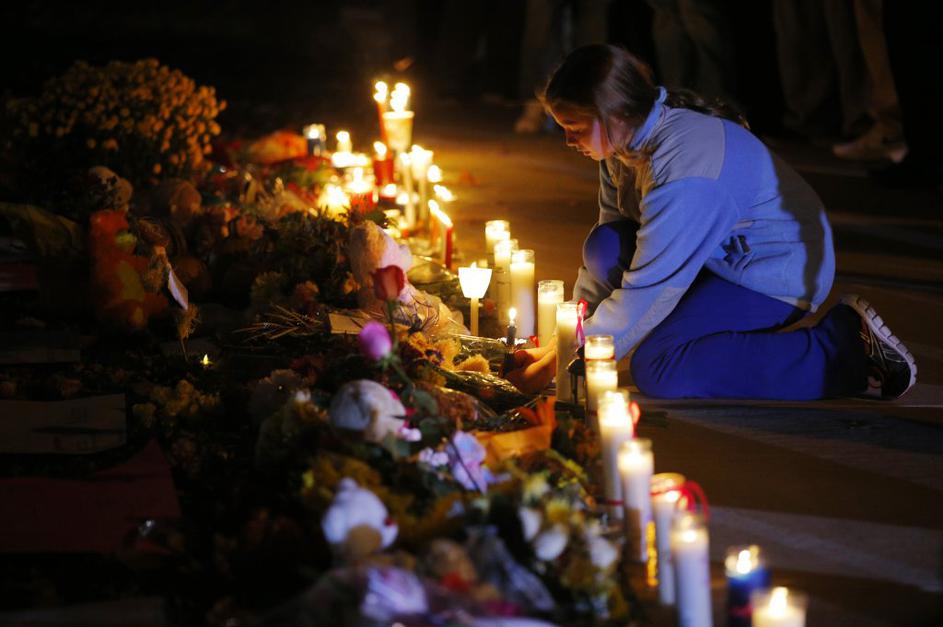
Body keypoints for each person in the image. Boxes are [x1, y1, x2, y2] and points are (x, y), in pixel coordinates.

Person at [505, 44, 916, 401]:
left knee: (661, 365)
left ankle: (842, 350)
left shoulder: (685, 174)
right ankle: (712, 331)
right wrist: (562, 342)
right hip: (720, 260)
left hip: (773, 275)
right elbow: (614, 243)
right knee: (606, 245)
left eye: (574, 128)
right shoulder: (622, 147)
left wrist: (566, 363)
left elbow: (652, 286)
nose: (568, 140)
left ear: (613, 114)